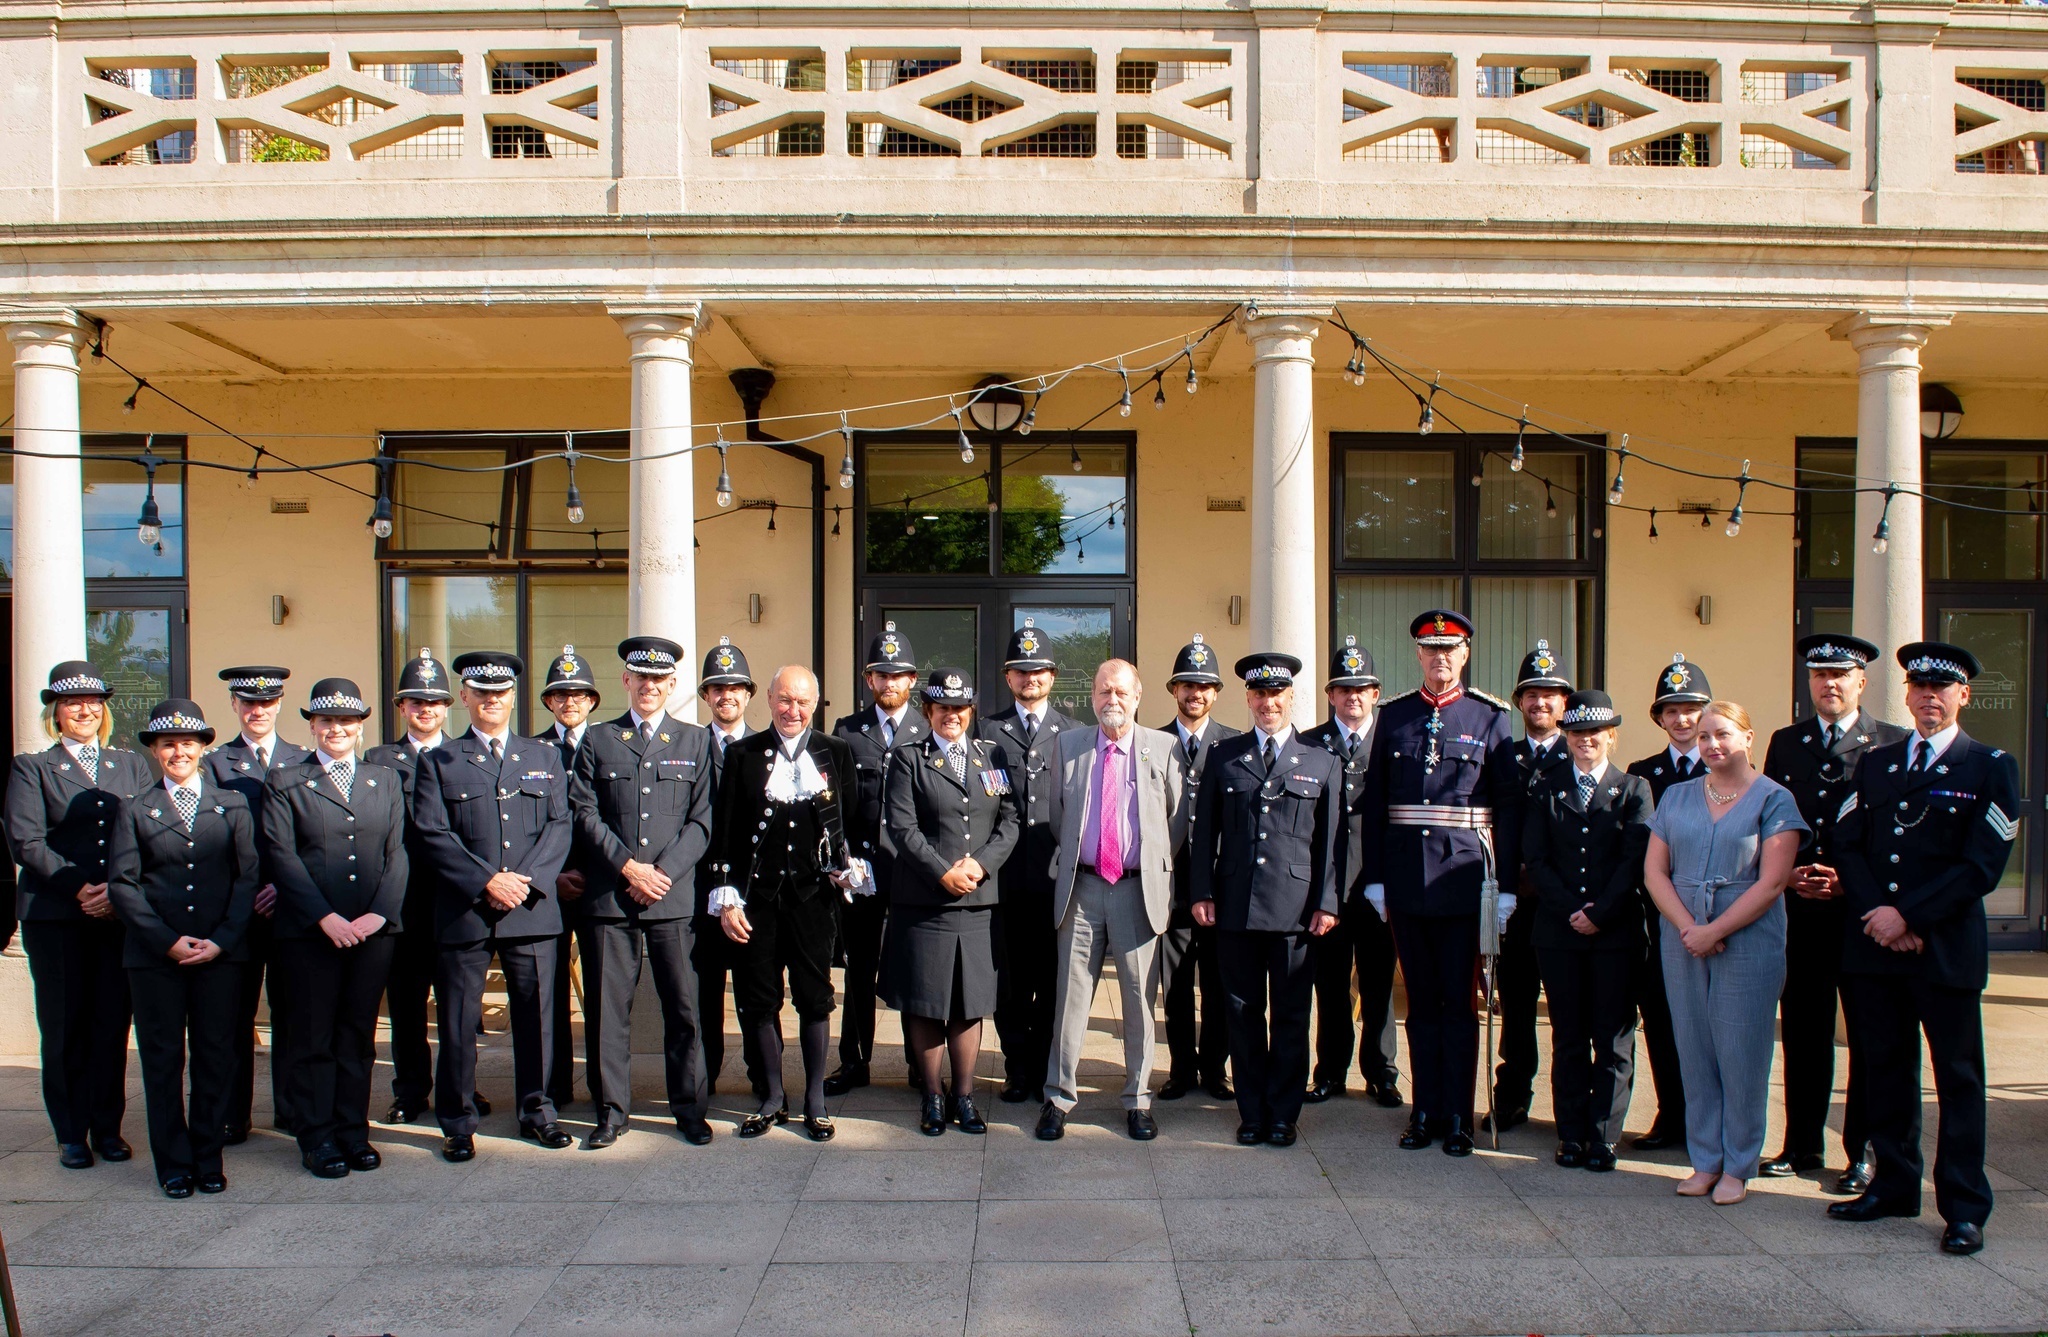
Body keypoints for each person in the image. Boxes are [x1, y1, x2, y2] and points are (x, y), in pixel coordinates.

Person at [1828, 642, 2019, 1257]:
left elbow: (1982, 868)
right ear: (1906, 695)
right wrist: (1879, 917)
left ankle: (1963, 1207)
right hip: (1876, 951)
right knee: (1884, 1070)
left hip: (1944, 951)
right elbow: (1849, 846)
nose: (1929, 697)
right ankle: (1892, 1185)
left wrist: (1906, 915)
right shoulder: (1878, 765)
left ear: (1963, 696)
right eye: (1919, 687)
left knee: (1958, 1079)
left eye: (1943, 688)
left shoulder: (1989, 765)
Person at [1360, 610, 1522, 1156]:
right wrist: (1378, 879)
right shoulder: (1395, 716)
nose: (1440, 659)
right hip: (1406, 882)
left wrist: (1505, 890)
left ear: (1465, 654)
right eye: (1431, 650)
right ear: (1418, 656)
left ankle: (1458, 1114)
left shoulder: (1490, 718)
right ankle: (1423, 1109)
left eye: (1450, 649)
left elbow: (1509, 807)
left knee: (1460, 1002)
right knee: (1421, 1004)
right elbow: (1378, 805)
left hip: (1462, 881)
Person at [412, 651, 575, 1161]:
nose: (491, 701)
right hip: (467, 910)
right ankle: (458, 1121)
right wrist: (488, 881)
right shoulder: (437, 760)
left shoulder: (542, 756)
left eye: (500, 693)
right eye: (481, 693)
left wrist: (522, 882)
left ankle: (537, 1111)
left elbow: (559, 825)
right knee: (459, 1023)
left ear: (512, 699)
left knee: (538, 1018)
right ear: (464, 698)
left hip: (530, 908)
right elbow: (430, 833)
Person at [1758, 634, 1907, 1190]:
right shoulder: (1786, 742)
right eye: (1820, 675)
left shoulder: (1890, 742)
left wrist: (1850, 881)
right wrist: (1788, 873)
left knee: (1867, 1033)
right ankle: (1800, 1145)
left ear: (1861, 682)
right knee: (1803, 1028)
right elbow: (1776, 821)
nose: (1830, 684)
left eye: (1841, 675)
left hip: (1861, 912)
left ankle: (1861, 1151)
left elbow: (1892, 830)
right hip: (1801, 911)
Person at [1643, 699, 1806, 1206]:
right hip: (1683, 936)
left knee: (1741, 1054)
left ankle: (1738, 1163)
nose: (1713, 744)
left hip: (1748, 937)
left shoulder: (1775, 799)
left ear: (1748, 738)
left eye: (1724, 735)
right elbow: (1654, 872)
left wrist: (1716, 930)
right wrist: (1691, 928)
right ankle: (1704, 1159)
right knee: (1693, 1050)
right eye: (1707, 736)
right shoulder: (1676, 796)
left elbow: (1774, 880)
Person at [5, 661, 157, 1169]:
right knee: (66, 1023)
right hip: (57, 916)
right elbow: (27, 839)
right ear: (57, 712)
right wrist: (80, 889)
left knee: (112, 1023)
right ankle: (71, 1132)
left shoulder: (130, 765)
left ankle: (108, 1127)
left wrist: (116, 891)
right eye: (73, 703)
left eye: (93, 702)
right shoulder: (33, 767)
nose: (84, 710)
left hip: (116, 915)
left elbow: (142, 833)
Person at [568, 636, 717, 1148]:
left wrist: (664, 873)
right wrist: (629, 867)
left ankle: (689, 1110)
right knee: (610, 1013)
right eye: (641, 678)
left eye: (660, 679)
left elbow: (703, 821)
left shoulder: (695, 741)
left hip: (673, 900)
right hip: (612, 899)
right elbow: (584, 813)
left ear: (672, 685)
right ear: (626, 682)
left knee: (685, 1011)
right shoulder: (598, 740)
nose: (650, 686)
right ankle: (611, 1112)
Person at [106, 699, 258, 1198]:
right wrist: (168, 942)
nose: (178, 751)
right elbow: (124, 885)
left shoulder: (231, 805)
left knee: (215, 1057)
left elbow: (247, 878)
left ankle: (207, 1157)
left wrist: (220, 940)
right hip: (155, 959)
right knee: (163, 1059)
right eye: (168, 743)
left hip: (220, 955)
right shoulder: (135, 809)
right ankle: (172, 1163)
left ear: (202, 749)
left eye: (187, 743)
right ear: (154, 750)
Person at [1189, 653, 1341, 1147]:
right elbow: (1203, 833)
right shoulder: (1225, 756)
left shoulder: (1321, 760)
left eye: (1276, 694)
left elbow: (1330, 844)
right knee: (1243, 1014)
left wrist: (1327, 903)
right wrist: (1202, 892)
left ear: (1290, 697)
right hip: (1235, 907)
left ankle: (1284, 1114)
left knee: (1293, 1017)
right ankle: (1251, 1112)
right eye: (1258, 695)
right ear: (1248, 699)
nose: (1267, 703)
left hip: (1296, 913)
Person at [706, 666, 863, 1142]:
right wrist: (727, 896)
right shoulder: (742, 754)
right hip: (757, 901)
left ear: (816, 704)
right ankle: (773, 1097)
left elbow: (850, 824)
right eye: (784, 700)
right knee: (759, 999)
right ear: (769, 699)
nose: (792, 710)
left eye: (802, 702)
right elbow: (726, 833)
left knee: (814, 999)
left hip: (814, 899)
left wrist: (849, 865)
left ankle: (815, 1099)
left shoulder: (835, 752)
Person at [259, 678, 407, 1179]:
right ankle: (317, 1137)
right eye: (326, 721)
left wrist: (379, 914)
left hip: (370, 932)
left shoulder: (382, 780)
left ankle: (353, 1132)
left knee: (357, 1037)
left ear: (360, 725)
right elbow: (281, 856)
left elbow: (397, 852)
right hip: (309, 933)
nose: (336, 729)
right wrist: (324, 917)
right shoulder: (286, 781)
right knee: (312, 1037)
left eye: (346, 721)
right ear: (312, 726)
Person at [1038, 660, 1183, 1142]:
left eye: (1121, 691)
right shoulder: (1070, 745)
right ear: (1092, 697)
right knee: (1070, 999)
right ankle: (1059, 1097)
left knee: (1139, 1001)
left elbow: (1174, 824)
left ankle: (1138, 1101)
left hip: (1137, 891)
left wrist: (1141, 861)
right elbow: (1060, 816)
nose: (1112, 700)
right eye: (1103, 691)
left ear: (1138, 696)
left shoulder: (1165, 749)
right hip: (1081, 890)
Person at [882, 669, 1018, 1136]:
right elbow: (902, 827)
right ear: (928, 711)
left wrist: (979, 865)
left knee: (968, 1002)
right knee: (925, 1002)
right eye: (942, 708)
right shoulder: (907, 760)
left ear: (970, 711)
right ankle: (932, 1096)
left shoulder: (991, 756)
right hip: (924, 903)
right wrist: (943, 872)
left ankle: (964, 1096)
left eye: (960, 708)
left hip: (977, 902)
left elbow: (1011, 821)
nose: (952, 716)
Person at [1521, 690, 1652, 1173]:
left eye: (1594, 733)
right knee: (1569, 1037)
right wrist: (1573, 909)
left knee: (1613, 1039)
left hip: (1615, 936)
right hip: (1558, 933)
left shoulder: (1634, 789)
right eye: (1577, 733)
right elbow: (1536, 859)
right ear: (1567, 736)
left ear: (1611, 737)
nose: (1585, 741)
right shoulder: (1544, 787)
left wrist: (1600, 912)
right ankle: (1571, 1134)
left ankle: (1604, 1136)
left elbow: (1634, 860)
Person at [365, 649, 490, 1124]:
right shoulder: (379, 760)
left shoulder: (465, 754)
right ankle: (411, 1090)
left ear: (448, 707)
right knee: (407, 1005)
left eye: (434, 703)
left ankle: (462, 1090)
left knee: (460, 1009)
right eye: (416, 702)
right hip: (405, 901)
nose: (426, 711)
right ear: (401, 707)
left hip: (457, 900)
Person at [206, 665, 311, 1144]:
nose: (257, 711)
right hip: (241, 910)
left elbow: (313, 838)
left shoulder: (304, 759)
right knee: (233, 1015)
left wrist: (285, 886)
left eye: (266, 703)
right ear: (234, 706)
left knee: (293, 1013)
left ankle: (291, 1109)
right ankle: (233, 1114)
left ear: (279, 705)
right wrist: (251, 889)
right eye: (248, 703)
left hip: (292, 908)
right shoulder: (213, 764)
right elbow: (209, 838)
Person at [978, 618, 1080, 1102]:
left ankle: (1042, 1065)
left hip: (1056, 878)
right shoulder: (986, 731)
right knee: (1010, 982)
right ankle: (1017, 1067)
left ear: (1052, 676)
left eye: (1038, 670)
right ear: (1007, 676)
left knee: (1053, 979)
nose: (1030, 679)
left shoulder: (1074, 733)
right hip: (1004, 879)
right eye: (1021, 671)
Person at [828, 622, 929, 1096]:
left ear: (912, 680)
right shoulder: (848, 730)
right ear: (869, 680)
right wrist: (842, 859)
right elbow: (834, 804)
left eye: (899, 675)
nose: (890, 684)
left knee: (913, 967)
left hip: (913, 870)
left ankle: (918, 1063)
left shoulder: (928, 728)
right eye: (881, 675)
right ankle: (855, 1062)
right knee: (860, 968)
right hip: (863, 870)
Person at [1301, 636, 1400, 1108]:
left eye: (1361, 688)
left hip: (1379, 886)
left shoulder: (1394, 745)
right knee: (1332, 985)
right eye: (1343, 689)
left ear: (1376, 693)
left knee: (1379, 986)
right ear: (1330, 695)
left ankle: (1381, 1072)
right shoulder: (1310, 745)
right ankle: (1331, 1071)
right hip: (1327, 889)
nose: (1352, 696)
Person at [1623, 652, 1712, 1152]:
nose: (1682, 718)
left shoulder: (1731, 770)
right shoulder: (1642, 774)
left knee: (1713, 1025)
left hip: (1719, 916)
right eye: (1671, 710)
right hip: (1660, 919)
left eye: (1691, 708)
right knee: (1661, 1018)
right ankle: (1671, 1115)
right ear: (1659, 717)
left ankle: (1709, 1120)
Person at [1493, 640, 1573, 1132]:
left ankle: (1570, 1105)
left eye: (1551, 694)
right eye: (1531, 695)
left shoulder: (1581, 754)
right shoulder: (1506, 756)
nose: (1540, 703)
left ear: (1565, 703)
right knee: (1517, 1006)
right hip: (1515, 905)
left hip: (1564, 905)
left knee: (1567, 1013)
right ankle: (1513, 1093)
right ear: (1519, 702)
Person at [1156, 635, 1237, 1102]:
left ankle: (1216, 1070)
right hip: (1170, 887)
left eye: (1205, 685)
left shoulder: (1232, 746)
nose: (1196, 693)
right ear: (1173, 689)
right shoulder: (1153, 742)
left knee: (1220, 985)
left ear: (1216, 692)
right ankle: (1182, 1069)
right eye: (1188, 684)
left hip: (1221, 886)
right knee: (1178, 987)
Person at [694, 638, 774, 1100]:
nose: (726, 695)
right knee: (703, 993)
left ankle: (763, 1079)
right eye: (717, 687)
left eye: (735, 687)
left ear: (748, 694)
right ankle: (702, 1080)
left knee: (755, 992)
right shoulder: (686, 744)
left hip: (753, 892)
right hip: (700, 887)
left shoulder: (769, 749)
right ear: (706, 695)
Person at [535, 646, 602, 1111]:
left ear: (593, 700)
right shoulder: (531, 751)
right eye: (560, 694)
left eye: (578, 694)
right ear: (549, 702)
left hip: (598, 885)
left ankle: (603, 1085)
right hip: (549, 887)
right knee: (550, 994)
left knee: (601, 993)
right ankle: (556, 1086)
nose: (570, 702)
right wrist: (551, 874)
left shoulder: (608, 745)